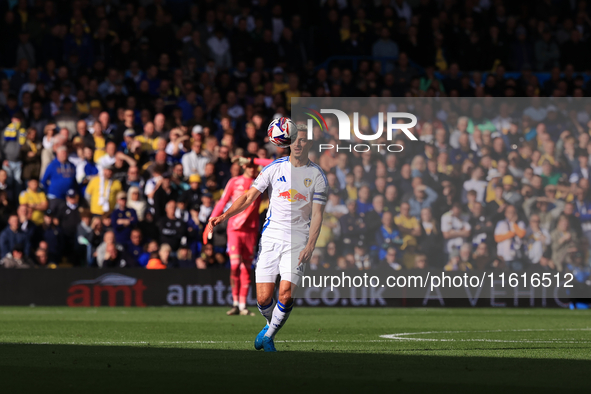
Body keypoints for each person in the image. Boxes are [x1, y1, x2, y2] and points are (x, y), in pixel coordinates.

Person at [208, 123, 326, 352]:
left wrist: (311, 244)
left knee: (286, 293)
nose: (298, 144)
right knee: (263, 299)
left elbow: (318, 215)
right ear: (287, 142)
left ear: (309, 143)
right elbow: (249, 197)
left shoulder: (317, 175)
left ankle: (269, 335)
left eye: (303, 140)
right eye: (295, 140)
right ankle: (270, 325)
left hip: (298, 239)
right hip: (271, 237)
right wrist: (223, 216)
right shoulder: (274, 168)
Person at [210, 154, 261, 316]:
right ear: (244, 166)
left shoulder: (261, 182)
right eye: (251, 165)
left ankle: (242, 305)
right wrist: (211, 219)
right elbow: (222, 201)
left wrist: (256, 160)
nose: (254, 168)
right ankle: (234, 303)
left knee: (246, 267)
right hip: (234, 229)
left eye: (255, 165)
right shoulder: (234, 182)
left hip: (251, 230)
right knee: (234, 266)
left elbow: (274, 164)